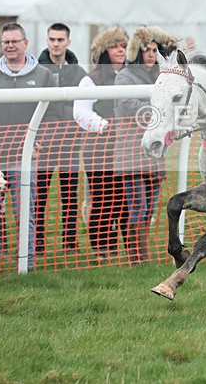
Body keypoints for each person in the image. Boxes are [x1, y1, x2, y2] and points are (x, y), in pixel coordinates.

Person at [0, 23, 59, 271]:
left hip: (26, 159)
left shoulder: (44, 76)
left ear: (25, 43)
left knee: (25, 215)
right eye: (6, 42)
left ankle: (26, 265)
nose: (9, 46)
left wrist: (41, 140)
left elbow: (54, 115)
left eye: (14, 41)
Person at [114, 26, 178, 264]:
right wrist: (159, 110)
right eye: (146, 50)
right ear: (137, 52)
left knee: (149, 211)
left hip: (154, 154)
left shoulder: (160, 74)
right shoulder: (125, 76)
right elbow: (129, 105)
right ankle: (138, 259)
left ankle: (140, 257)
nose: (151, 54)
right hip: (131, 153)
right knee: (138, 208)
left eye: (154, 49)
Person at [74, 26, 129, 260]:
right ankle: (102, 248)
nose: (120, 50)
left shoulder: (133, 75)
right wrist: (105, 126)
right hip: (99, 147)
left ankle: (129, 247)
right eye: (115, 45)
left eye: (124, 45)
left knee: (124, 198)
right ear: (104, 50)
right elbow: (80, 111)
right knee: (102, 198)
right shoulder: (91, 79)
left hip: (127, 148)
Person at [34, 23, 87, 253]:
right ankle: (36, 243)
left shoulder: (78, 73)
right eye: (52, 39)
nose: (56, 44)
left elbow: (86, 104)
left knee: (70, 195)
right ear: (47, 41)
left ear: (68, 42)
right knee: (40, 196)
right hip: (44, 143)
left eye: (60, 40)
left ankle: (70, 243)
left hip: (69, 143)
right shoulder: (35, 70)